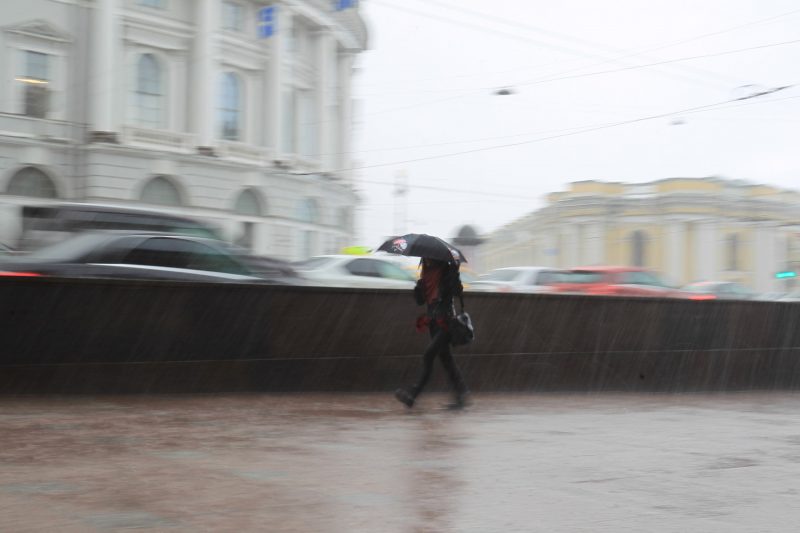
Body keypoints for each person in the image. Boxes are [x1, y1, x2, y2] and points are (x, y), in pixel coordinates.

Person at [395, 257, 471, 409]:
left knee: (428, 355)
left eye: (429, 258)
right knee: (446, 360)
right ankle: (462, 394)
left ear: (436, 258)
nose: (427, 260)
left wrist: (454, 274)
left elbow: (457, 291)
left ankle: (412, 395)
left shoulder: (447, 271)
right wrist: (418, 288)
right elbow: (421, 301)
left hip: (446, 322)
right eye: (425, 258)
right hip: (433, 323)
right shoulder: (426, 274)